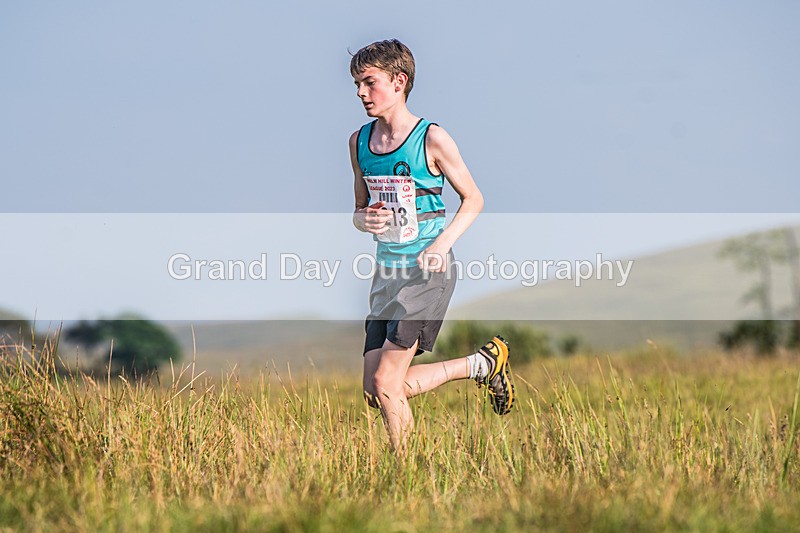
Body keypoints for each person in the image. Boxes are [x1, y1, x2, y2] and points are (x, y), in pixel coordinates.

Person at [349, 39, 515, 452]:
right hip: (386, 273)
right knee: (376, 391)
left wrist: (441, 245)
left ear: (399, 81)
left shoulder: (432, 138)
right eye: (356, 84)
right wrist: (363, 219)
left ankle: (406, 477)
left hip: (427, 272)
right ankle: (480, 365)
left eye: (369, 82)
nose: (360, 93)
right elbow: (357, 210)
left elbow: (474, 198)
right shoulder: (358, 143)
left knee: (387, 384)